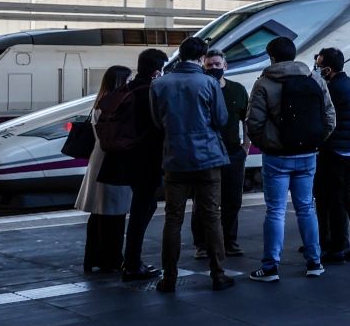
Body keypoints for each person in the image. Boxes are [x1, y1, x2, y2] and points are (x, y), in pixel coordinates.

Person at [245, 36, 334, 282]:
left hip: (277, 157)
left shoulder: (264, 83)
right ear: (294, 55)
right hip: (307, 154)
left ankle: (271, 267)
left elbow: (253, 123)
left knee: (275, 211)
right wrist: (314, 142)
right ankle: (314, 262)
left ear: (271, 57)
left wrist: (269, 144)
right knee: (306, 207)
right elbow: (329, 117)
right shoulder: (314, 78)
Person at [150, 36, 234, 293]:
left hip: (175, 159)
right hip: (207, 158)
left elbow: (156, 122)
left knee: (173, 219)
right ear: (201, 58)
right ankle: (218, 274)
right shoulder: (209, 83)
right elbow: (221, 119)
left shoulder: (159, 84)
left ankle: (169, 278)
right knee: (212, 216)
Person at [98, 48, 168, 282]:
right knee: (142, 210)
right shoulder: (150, 91)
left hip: (124, 158)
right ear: (158, 70)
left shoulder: (125, 89)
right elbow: (159, 125)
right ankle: (132, 263)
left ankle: (131, 260)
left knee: (141, 209)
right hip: (146, 159)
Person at [75, 65, 133, 274]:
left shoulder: (99, 103)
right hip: (113, 160)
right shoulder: (116, 106)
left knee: (98, 214)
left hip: (98, 158)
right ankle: (112, 259)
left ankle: (92, 258)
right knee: (114, 214)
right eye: (128, 80)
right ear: (120, 82)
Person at [314, 47, 350, 264]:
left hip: (333, 151)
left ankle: (337, 247)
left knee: (335, 201)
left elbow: (324, 119)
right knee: (348, 198)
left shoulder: (332, 89)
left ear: (328, 69)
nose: (317, 69)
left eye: (318, 66)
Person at [193, 48, 249, 259]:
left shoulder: (237, 90)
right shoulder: (200, 89)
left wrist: (246, 146)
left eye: (217, 64)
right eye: (209, 65)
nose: (214, 68)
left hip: (233, 153)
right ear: (203, 67)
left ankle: (229, 241)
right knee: (204, 200)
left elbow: (247, 118)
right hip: (207, 153)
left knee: (232, 199)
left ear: (226, 66)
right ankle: (203, 244)